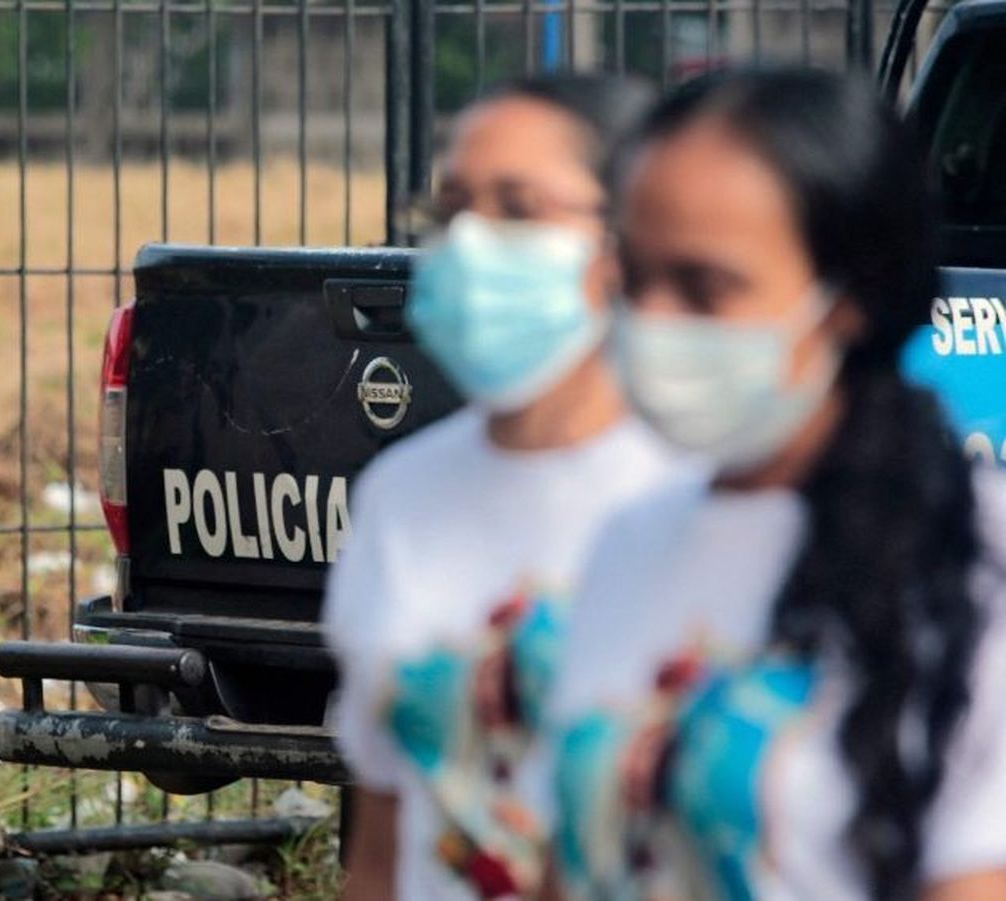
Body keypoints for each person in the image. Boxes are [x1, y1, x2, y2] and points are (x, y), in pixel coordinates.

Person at [549, 68, 1006, 900]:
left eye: (704, 286)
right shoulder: (624, 539)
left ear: (852, 295)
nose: (652, 322)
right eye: (635, 278)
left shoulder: (978, 566)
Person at [322, 75, 675, 901]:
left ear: (628, 235)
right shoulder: (401, 498)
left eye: (518, 208)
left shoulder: (694, 495)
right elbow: (383, 844)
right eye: (453, 211)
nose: (473, 246)